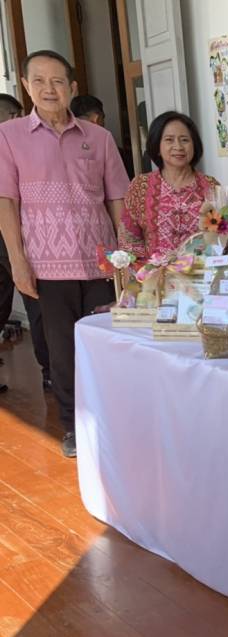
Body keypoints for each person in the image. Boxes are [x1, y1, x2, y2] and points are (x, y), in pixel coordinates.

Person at [0, 50, 130, 458]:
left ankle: (115, 421)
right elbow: (6, 202)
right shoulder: (8, 136)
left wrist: (126, 259)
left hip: (100, 263)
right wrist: (18, 262)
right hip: (46, 267)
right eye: (38, 81)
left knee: (107, 344)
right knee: (62, 352)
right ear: (26, 86)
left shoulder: (99, 138)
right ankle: (75, 425)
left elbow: (118, 199)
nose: (48, 89)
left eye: (57, 81)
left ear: (72, 87)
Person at [119, 111, 218, 267]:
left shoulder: (211, 186)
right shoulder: (141, 186)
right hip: (155, 278)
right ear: (157, 146)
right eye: (169, 140)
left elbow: (222, 235)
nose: (178, 146)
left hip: (202, 275)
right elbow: (129, 240)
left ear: (194, 145)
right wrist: (145, 272)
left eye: (184, 140)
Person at [0, 94, 51, 394]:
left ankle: (50, 370)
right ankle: (49, 371)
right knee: (35, 300)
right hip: (13, 240)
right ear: (13, 115)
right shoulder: (11, 146)